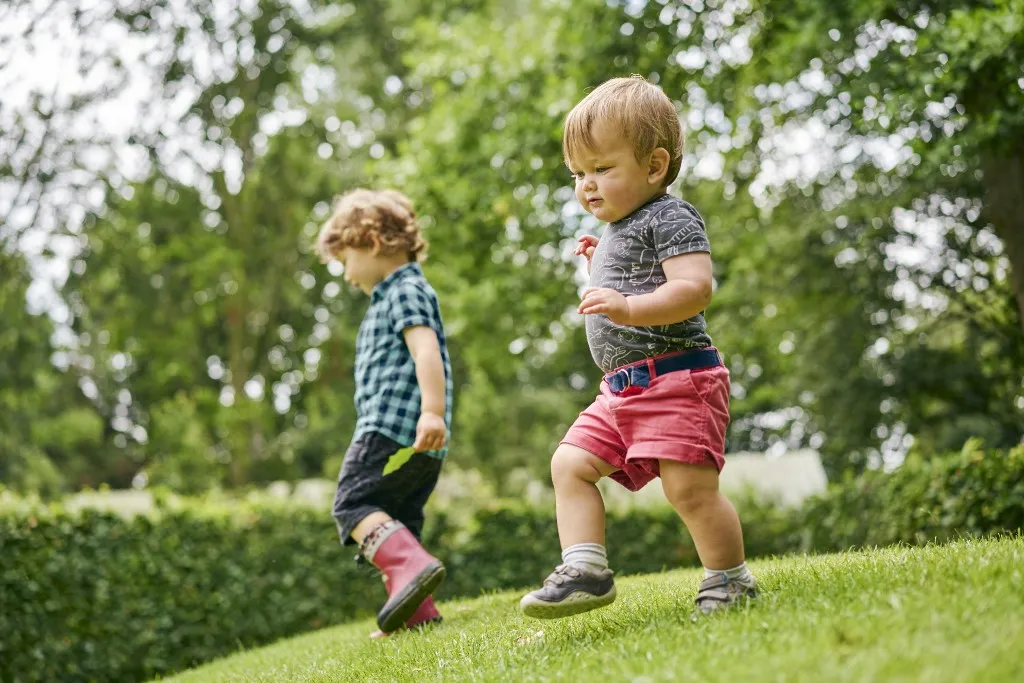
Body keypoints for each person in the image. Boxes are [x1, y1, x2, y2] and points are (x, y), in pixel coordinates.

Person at [519, 75, 758, 619]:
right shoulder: (617, 230)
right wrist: (597, 259)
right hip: (620, 392)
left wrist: (627, 306)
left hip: (678, 379)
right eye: (578, 173)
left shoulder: (672, 216)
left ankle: (730, 579)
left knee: (689, 491)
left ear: (653, 167)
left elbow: (695, 289)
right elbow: (635, 272)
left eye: (602, 168)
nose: (587, 184)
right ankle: (586, 569)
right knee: (569, 464)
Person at [315, 188, 453, 637]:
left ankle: (411, 566)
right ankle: (417, 610)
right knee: (401, 519)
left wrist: (432, 411)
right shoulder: (395, 295)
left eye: (345, 260)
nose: (346, 274)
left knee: (353, 503)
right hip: (415, 439)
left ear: (372, 242)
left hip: (393, 429)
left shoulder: (403, 290)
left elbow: (425, 349)